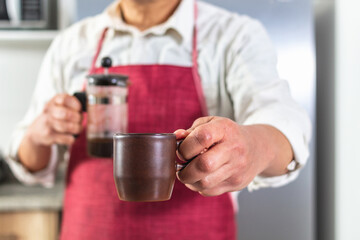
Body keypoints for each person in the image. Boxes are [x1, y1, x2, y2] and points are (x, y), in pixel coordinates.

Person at [6, 0, 311, 239]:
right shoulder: (71, 44)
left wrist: (253, 146)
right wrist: (38, 135)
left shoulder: (233, 35)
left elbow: (284, 126)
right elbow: (31, 166)